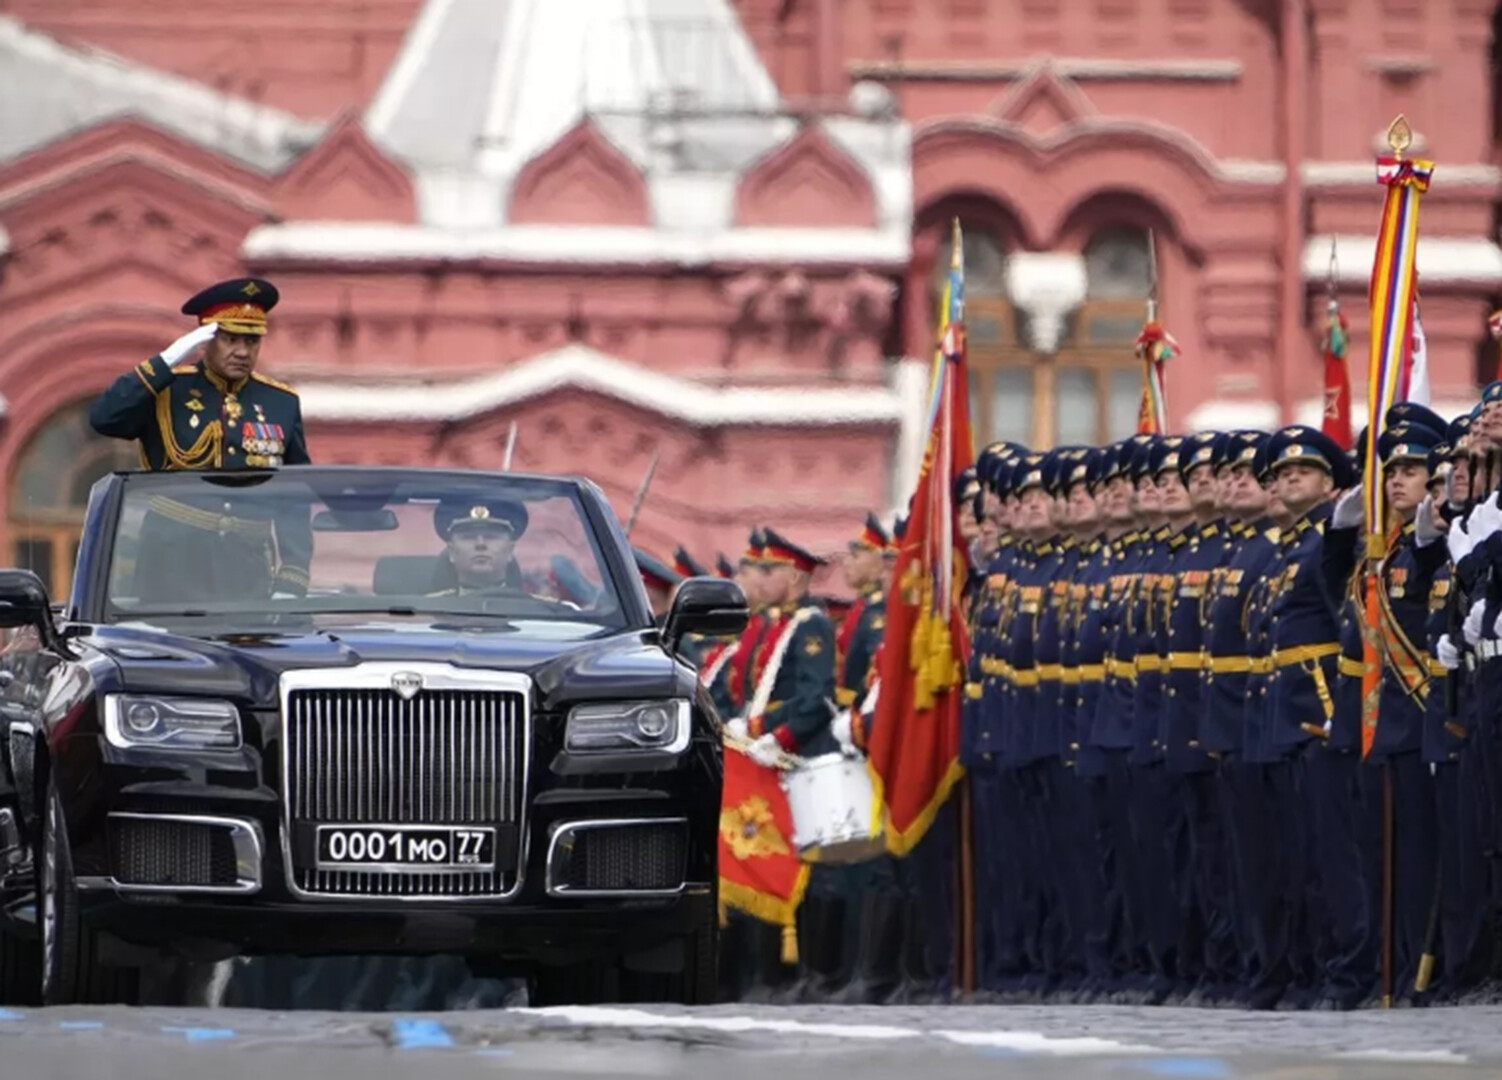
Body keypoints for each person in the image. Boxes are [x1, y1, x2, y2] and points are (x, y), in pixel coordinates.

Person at [88, 278, 312, 602]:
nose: (242, 351)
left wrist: (293, 575)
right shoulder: (167, 389)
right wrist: (165, 361)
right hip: (170, 563)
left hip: (246, 568)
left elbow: (294, 495)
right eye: (230, 339)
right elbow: (104, 418)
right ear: (205, 341)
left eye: (251, 341)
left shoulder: (280, 401)